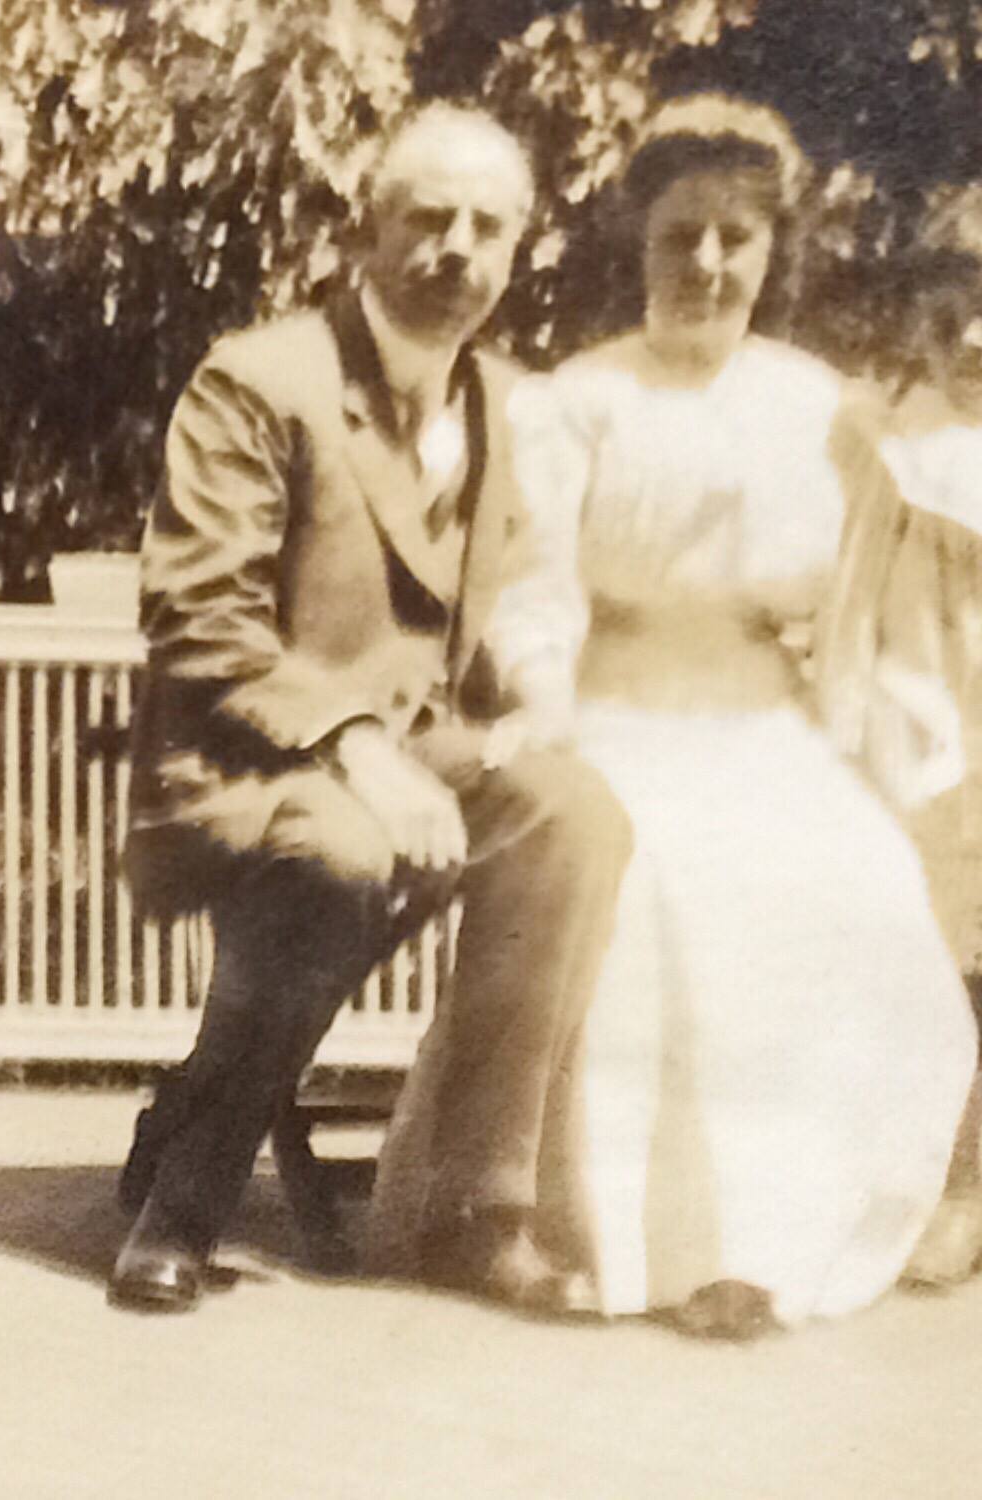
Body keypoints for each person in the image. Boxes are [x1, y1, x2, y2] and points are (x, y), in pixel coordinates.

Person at [366, 95, 978, 1339]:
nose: (704, 264)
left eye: (732, 240)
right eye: (677, 237)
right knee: (649, 891)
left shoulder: (826, 410)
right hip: (615, 716)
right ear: (636, 246)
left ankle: (770, 1241)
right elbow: (534, 588)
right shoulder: (576, 403)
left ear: (769, 252)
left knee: (854, 883)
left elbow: (885, 574)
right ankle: (578, 1230)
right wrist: (543, 707)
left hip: (769, 728)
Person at [110, 103, 633, 1316]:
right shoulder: (260, 380)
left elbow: (520, 593)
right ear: (367, 228)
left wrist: (531, 707)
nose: (455, 250)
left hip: (414, 759)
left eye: (485, 228)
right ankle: (181, 1205)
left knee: (572, 816)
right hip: (244, 762)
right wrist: (356, 749)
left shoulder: (508, 404)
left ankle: (478, 1210)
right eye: (427, 218)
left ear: (515, 249)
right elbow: (198, 617)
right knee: (344, 852)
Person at [818, 184, 982, 1288]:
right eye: (950, 307)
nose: (970, 337)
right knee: (925, 945)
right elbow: (846, 599)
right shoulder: (889, 446)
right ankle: (934, 1182)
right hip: (916, 712)